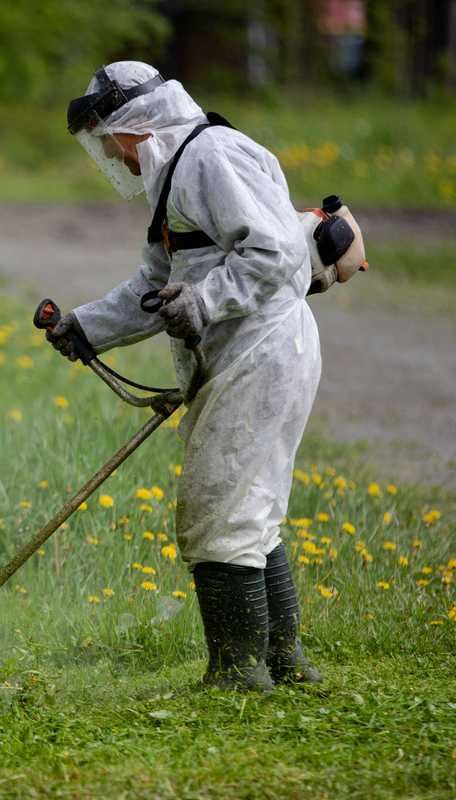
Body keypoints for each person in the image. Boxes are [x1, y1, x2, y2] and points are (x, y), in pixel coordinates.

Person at [49, 61, 323, 691]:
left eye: (105, 136)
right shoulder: (175, 175)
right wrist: (87, 327)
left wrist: (205, 302)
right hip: (248, 351)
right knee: (248, 506)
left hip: (261, 349)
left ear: (133, 123)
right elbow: (155, 284)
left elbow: (277, 250)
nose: (110, 152)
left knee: (216, 510)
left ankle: (238, 673)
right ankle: (284, 661)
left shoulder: (207, 156)